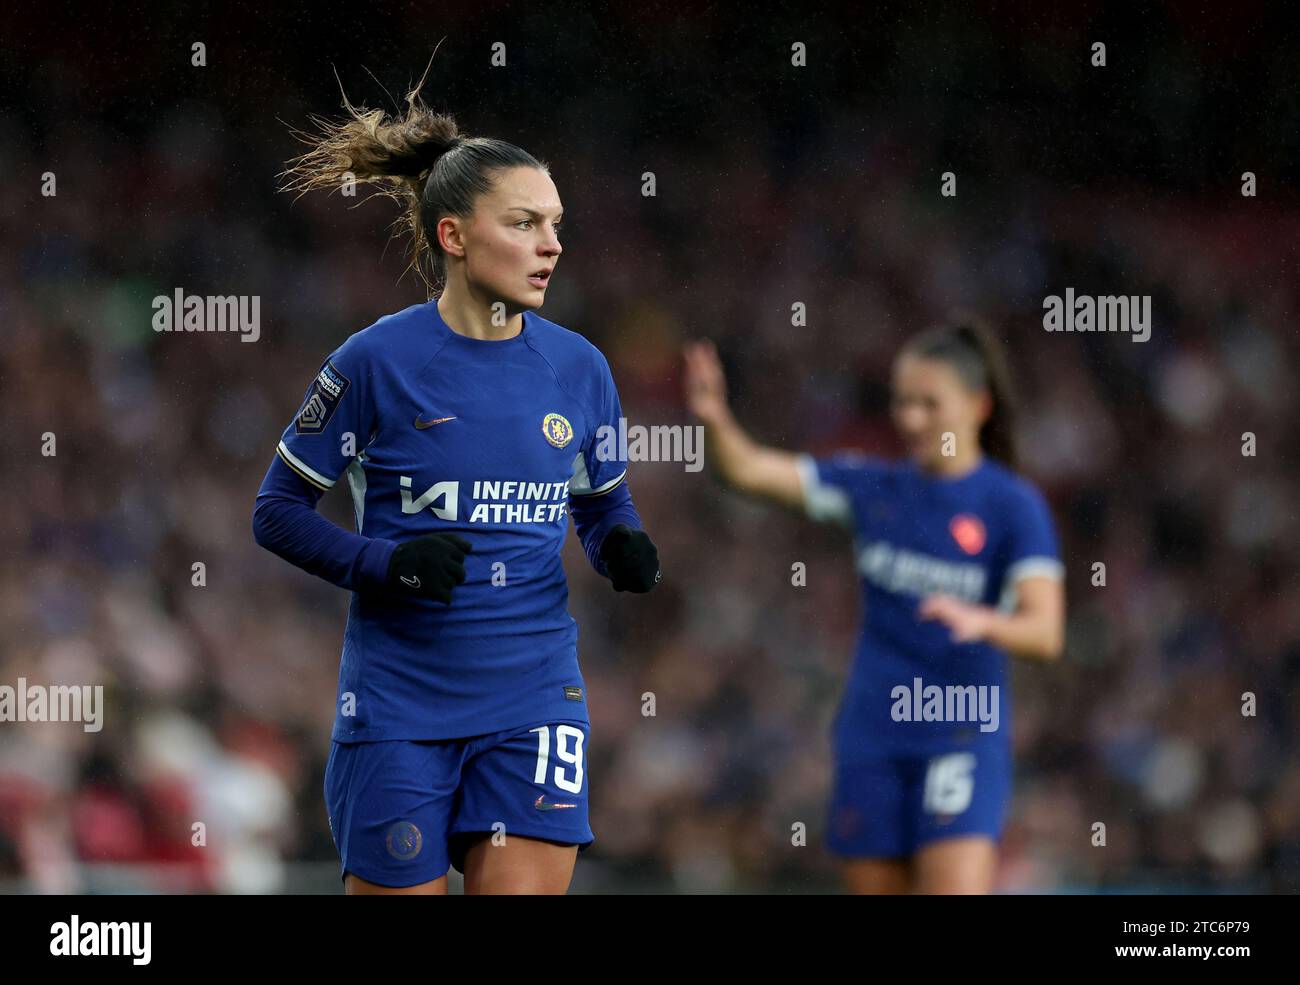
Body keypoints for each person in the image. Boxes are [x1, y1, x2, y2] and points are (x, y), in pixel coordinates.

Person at [252, 79, 661, 895]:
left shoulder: (580, 368)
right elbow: (276, 512)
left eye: (555, 225)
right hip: (399, 707)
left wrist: (618, 540)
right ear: (455, 235)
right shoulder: (374, 362)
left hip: (535, 697)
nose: (550, 245)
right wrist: (385, 565)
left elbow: (602, 499)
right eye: (524, 223)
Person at [682, 324, 1064, 893]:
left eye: (930, 403)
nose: (911, 418)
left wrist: (982, 619)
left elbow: (1046, 632)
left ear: (978, 406)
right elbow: (749, 472)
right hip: (873, 737)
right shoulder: (873, 488)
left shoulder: (1012, 506)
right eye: (903, 402)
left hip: (960, 736)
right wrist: (716, 421)